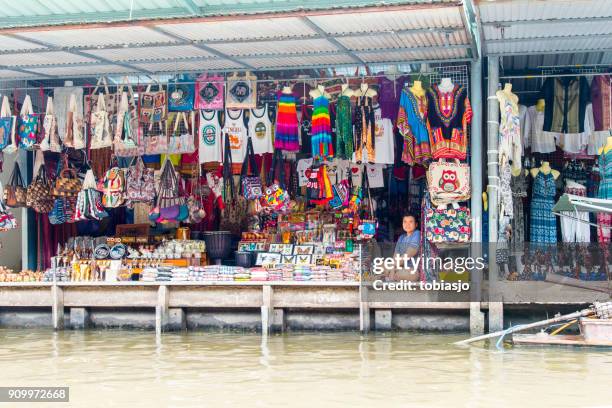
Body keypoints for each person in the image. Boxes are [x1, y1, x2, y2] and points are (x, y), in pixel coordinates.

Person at [390, 214, 421, 281]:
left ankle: (392, 276)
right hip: (400, 268)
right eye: (405, 222)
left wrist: (393, 268)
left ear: (416, 224)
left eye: (410, 222)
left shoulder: (417, 234)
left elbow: (408, 255)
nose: (407, 224)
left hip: (413, 270)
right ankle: (393, 275)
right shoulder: (401, 237)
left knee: (401, 274)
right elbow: (395, 256)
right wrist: (392, 268)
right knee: (382, 265)